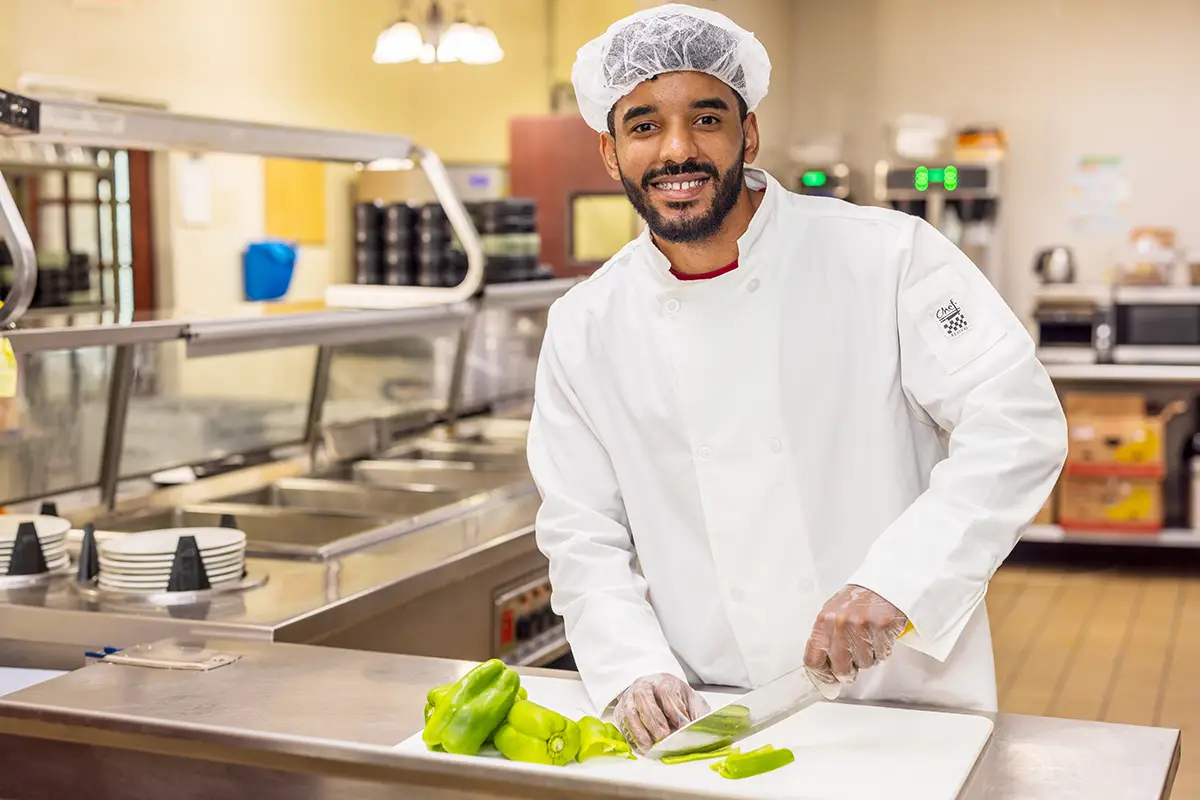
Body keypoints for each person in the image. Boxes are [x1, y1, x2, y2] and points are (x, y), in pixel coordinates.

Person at [525, 3, 1067, 755]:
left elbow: (1016, 422)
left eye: (706, 119)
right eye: (644, 125)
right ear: (612, 153)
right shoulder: (586, 325)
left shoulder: (888, 258)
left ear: (748, 133)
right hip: (704, 714)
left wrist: (899, 581)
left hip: (899, 703)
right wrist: (631, 667)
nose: (677, 150)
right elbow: (581, 528)